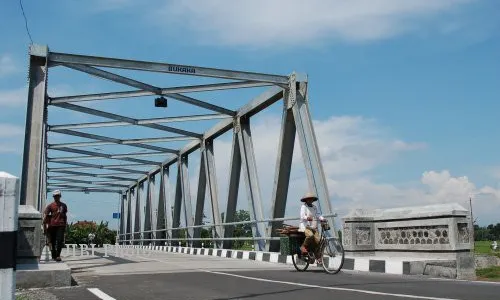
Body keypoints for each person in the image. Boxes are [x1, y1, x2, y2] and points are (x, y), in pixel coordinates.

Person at [298, 192, 326, 263]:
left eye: (311, 199)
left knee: (320, 241)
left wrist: (322, 219)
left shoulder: (314, 207)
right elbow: (302, 216)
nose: (310, 200)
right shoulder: (303, 207)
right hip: (305, 227)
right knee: (310, 236)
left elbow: (318, 215)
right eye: (309, 199)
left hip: (314, 227)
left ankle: (318, 256)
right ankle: (303, 247)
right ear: (306, 200)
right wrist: (307, 218)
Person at [43, 190, 68, 262]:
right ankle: (53, 253)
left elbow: (65, 215)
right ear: (53, 197)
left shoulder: (64, 205)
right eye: (55, 196)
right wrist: (44, 225)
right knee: (52, 241)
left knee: (60, 240)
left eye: (58, 196)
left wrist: (65, 224)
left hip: (61, 224)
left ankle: (58, 255)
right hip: (52, 225)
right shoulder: (50, 206)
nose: (56, 197)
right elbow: (46, 215)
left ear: (60, 196)